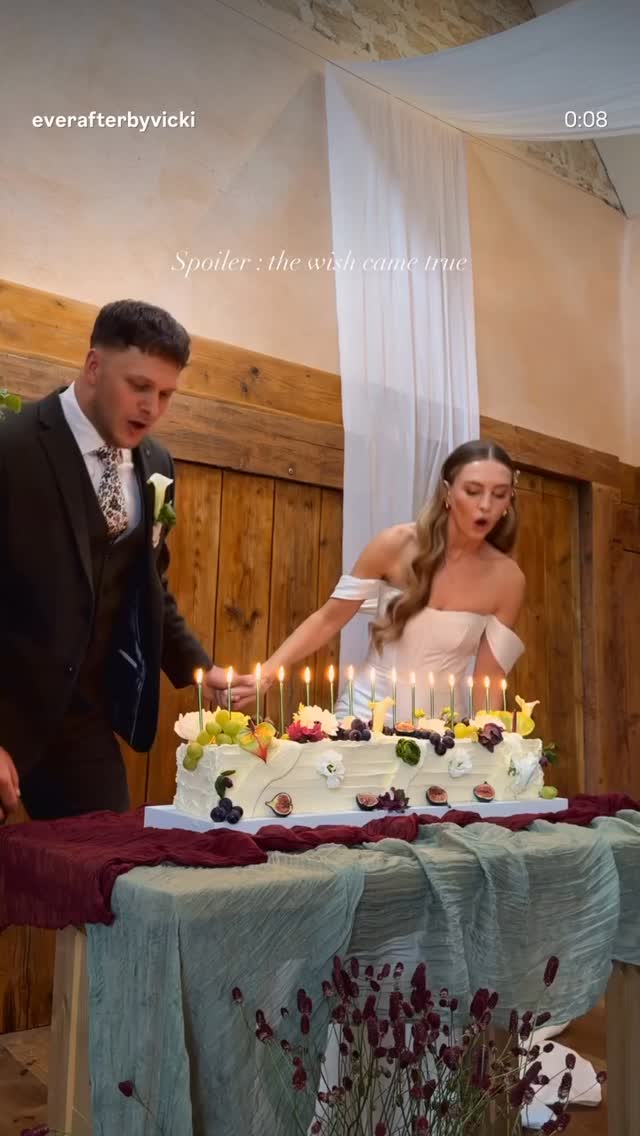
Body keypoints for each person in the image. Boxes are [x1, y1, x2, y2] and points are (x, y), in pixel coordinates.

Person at [0, 299, 243, 822]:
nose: (152, 407)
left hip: (84, 720)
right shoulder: (11, 445)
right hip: (8, 708)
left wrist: (204, 671)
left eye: (166, 394)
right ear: (93, 366)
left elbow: (149, 585)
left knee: (106, 881)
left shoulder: (156, 463)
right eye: (139, 387)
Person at [234, 439, 526, 719]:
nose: (486, 505)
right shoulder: (396, 544)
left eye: (499, 494)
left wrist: (491, 743)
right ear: (447, 493)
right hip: (365, 713)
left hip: (444, 729)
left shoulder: (508, 579)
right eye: (473, 491)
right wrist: (268, 673)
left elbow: (488, 679)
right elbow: (329, 619)